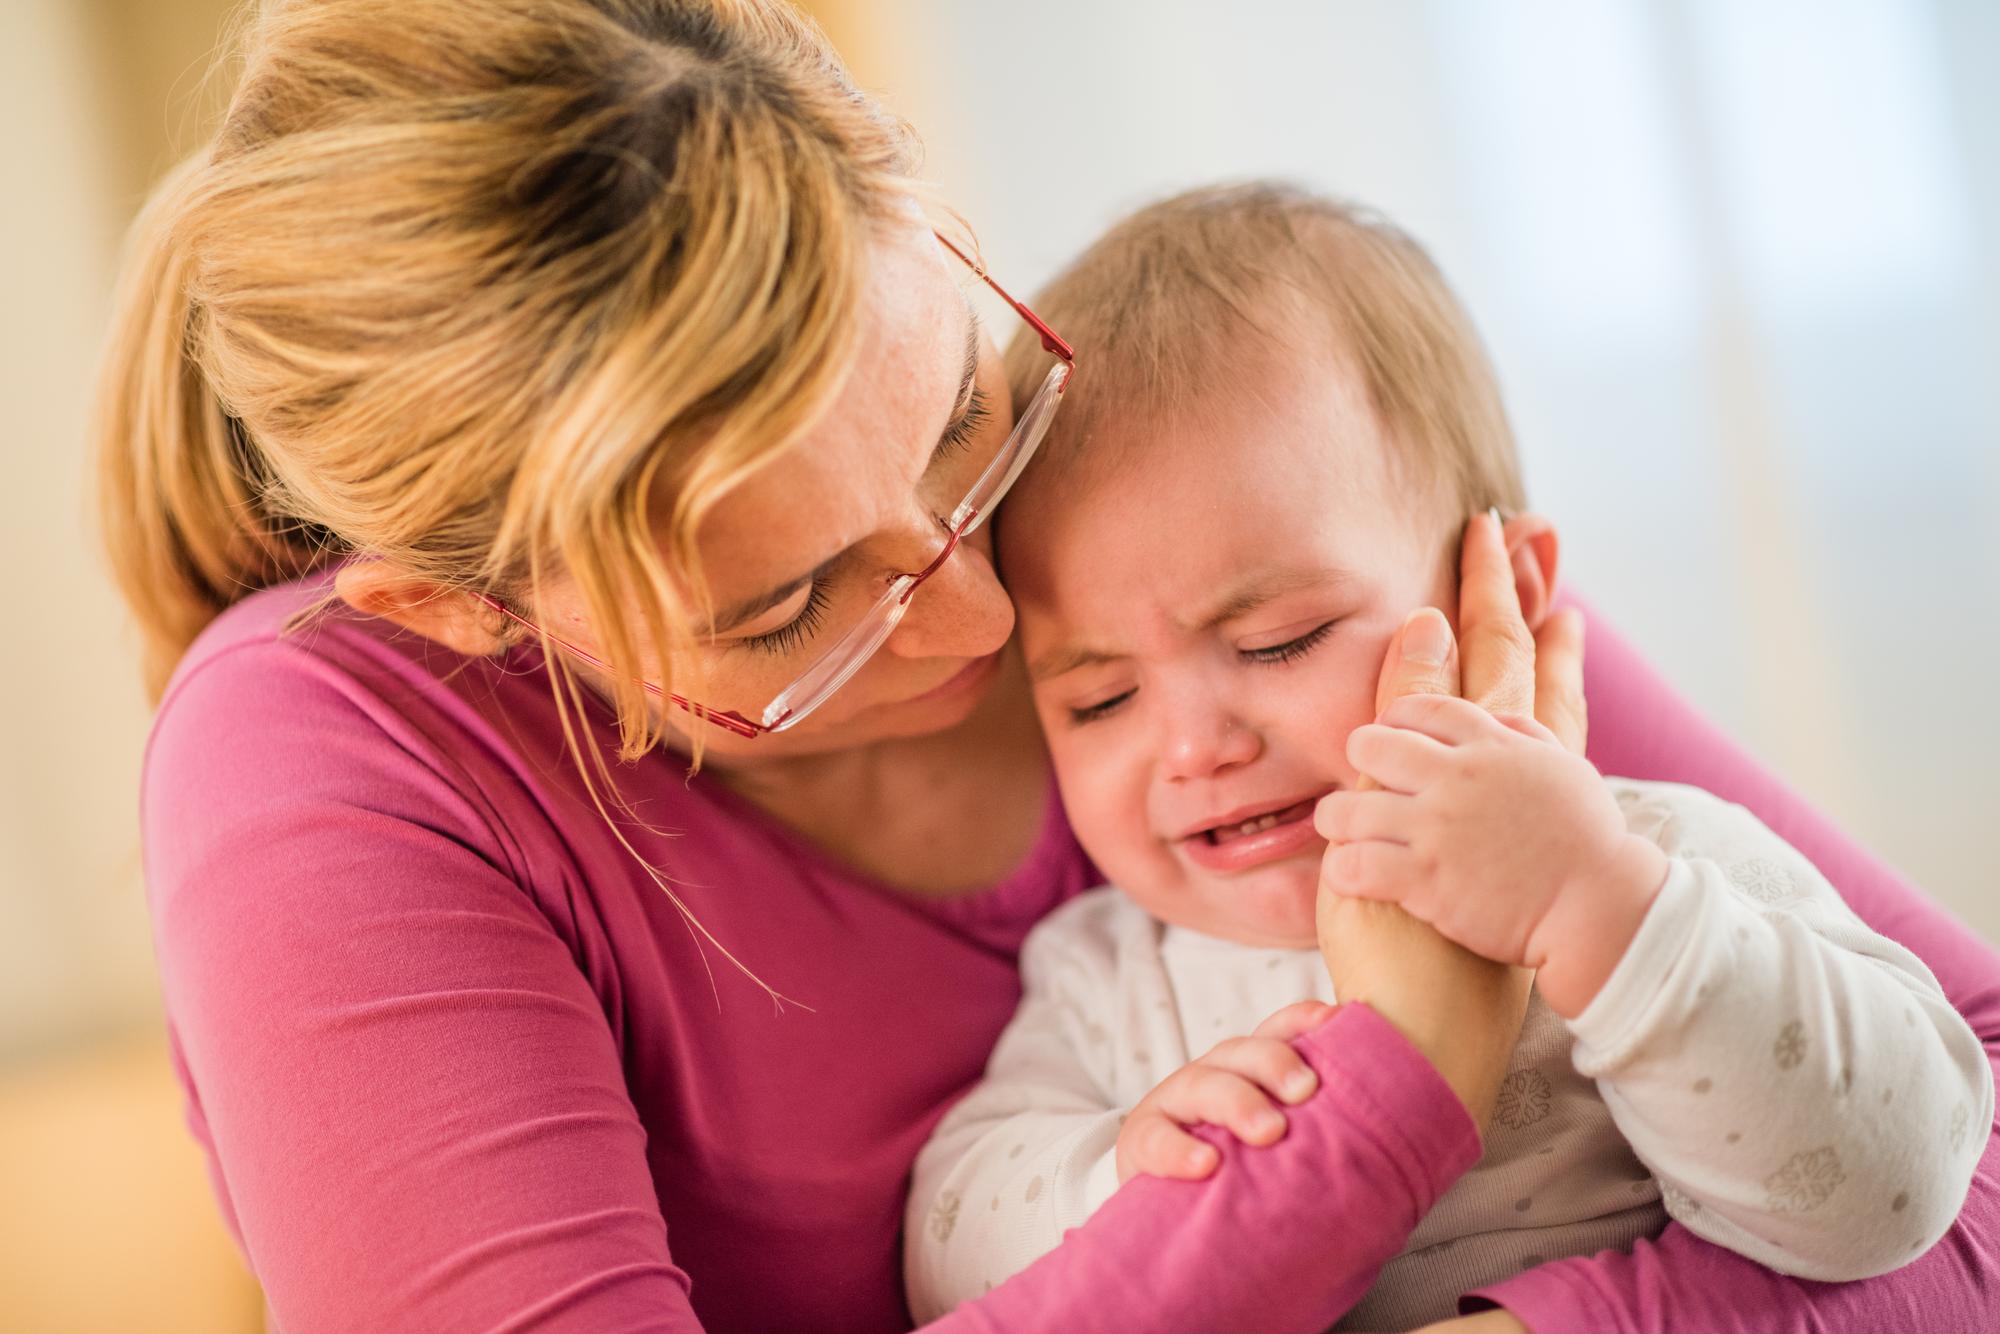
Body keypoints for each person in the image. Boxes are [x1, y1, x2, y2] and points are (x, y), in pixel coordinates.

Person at [92, 2, 2000, 1330]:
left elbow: (1972, 1131)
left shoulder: (1165, 510)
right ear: (469, 608)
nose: (989, 620)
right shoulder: (336, 758)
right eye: (789, 608)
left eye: (955, 421)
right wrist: (1396, 1076)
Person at [902, 183, 1993, 1330]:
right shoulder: (1104, 973)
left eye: (1281, 639)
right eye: (1099, 697)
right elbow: (942, 1249)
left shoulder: (1659, 856)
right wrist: (1116, 1176)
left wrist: (1608, 914)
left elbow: (1899, 1184)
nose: (1192, 744)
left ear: (1503, 597)